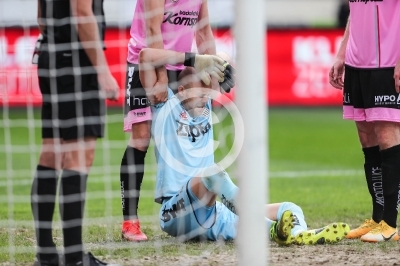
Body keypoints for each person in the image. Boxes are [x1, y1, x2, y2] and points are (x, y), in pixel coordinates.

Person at [139, 47, 350, 244]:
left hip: (213, 212)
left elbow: (224, 60)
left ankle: (298, 234)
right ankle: (275, 228)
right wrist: (193, 59)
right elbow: (145, 56)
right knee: (213, 173)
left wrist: (222, 65)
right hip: (176, 211)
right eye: (200, 93)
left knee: (289, 208)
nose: (205, 99)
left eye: (207, 93)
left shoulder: (207, 106)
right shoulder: (165, 106)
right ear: (183, 90)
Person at [119, 0, 221, 242]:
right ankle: (130, 222)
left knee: (186, 135)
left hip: (184, 67)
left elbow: (204, 31)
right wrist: (161, 76)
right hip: (144, 63)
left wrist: (216, 72)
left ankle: (187, 208)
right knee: (141, 138)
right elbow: (153, 29)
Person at [31, 0, 121, 265]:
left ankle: (46, 254)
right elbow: (82, 12)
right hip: (77, 64)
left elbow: (41, 16)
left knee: (51, 152)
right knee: (79, 155)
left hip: (50, 55)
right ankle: (74, 258)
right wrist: (102, 70)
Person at [329, 1, 400, 242]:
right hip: (356, 63)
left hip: (388, 63)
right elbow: (355, 13)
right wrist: (342, 53)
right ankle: (378, 217)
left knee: (387, 135)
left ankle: (391, 222)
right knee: (366, 136)